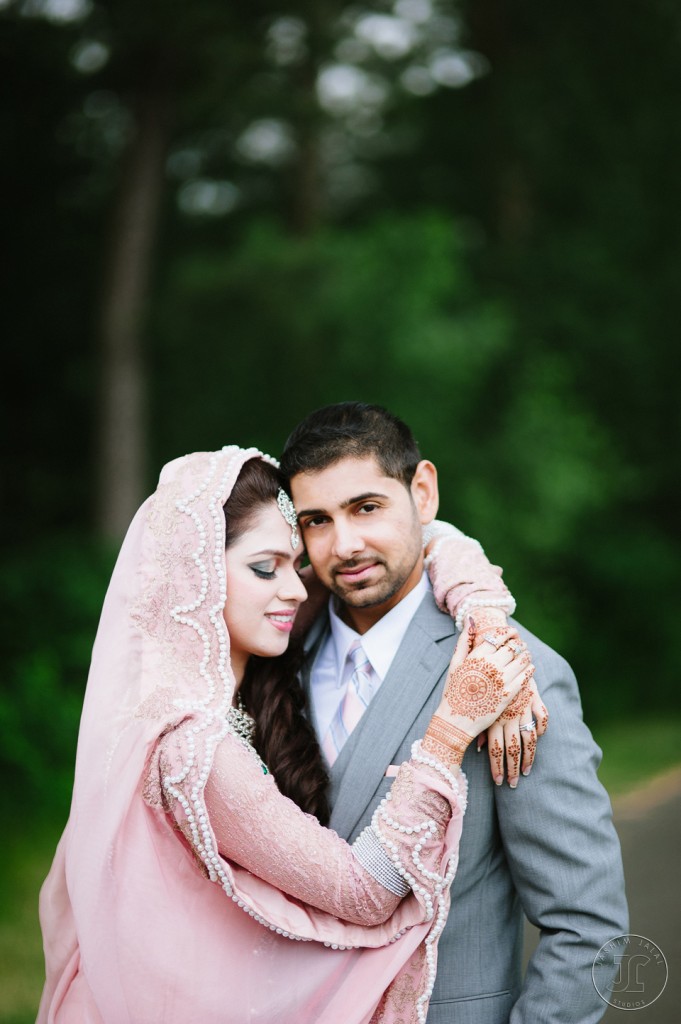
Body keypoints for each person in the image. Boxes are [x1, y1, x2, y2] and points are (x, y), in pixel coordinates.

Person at [38, 445, 538, 1024]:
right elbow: (363, 894)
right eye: (264, 568)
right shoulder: (190, 748)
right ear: (195, 579)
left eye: (296, 565)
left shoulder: (240, 667)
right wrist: (453, 724)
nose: (298, 590)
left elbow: (429, 537)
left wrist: (486, 624)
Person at [280, 402, 629, 1024]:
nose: (346, 544)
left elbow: (587, 926)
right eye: (317, 520)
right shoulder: (275, 659)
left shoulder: (515, 674)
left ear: (423, 490)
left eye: (366, 507)